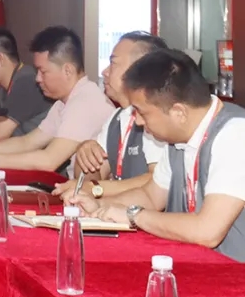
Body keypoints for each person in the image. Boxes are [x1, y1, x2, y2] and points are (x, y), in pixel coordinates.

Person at [69, 49, 245, 261]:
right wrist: (100, 206)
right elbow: (151, 197)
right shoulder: (177, 138)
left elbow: (207, 232)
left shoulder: (235, 133)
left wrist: (134, 216)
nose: (138, 121)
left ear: (179, 113)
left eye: (142, 113)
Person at [0, 26, 115, 173]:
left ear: (67, 71)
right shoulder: (63, 102)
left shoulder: (85, 102)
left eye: (43, 71)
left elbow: (49, 161)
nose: (38, 78)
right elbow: (27, 142)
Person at [52, 32, 169, 200]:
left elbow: (156, 181)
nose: (105, 72)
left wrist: (95, 188)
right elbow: (93, 178)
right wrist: (85, 156)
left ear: (141, 69)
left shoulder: (155, 118)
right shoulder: (117, 117)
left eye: (113, 64)